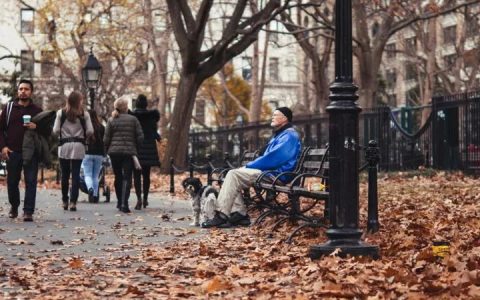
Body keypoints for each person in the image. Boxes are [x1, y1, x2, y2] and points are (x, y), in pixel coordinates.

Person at [201, 107, 302, 228]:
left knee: (234, 174)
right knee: (233, 174)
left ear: (285, 118)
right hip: (270, 172)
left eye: (276, 115)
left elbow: (274, 158)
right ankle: (239, 214)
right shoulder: (282, 134)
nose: (272, 117)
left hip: (277, 175)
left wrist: (249, 165)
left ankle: (222, 216)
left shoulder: (289, 136)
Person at [0, 79, 42, 222]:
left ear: (31, 92)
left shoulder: (37, 110)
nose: (23, 91)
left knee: (31, 181)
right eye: (21, 89)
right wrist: (3, 147)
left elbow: (47, 131)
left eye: (26, 89)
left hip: (31, 152)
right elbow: (0, 129)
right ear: (17, 91)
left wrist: (36, 127)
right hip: (13, 151)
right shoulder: (9, 108)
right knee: (12, 182)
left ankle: (28, 211)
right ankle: (14, 205)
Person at [53, 91, 93, 211]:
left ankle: (65, 200)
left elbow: (55, 130)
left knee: (64, 175)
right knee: (75, 175)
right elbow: (90, 131)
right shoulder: (84, 114)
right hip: (79, 146)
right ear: (78, 101)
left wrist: (62, 133)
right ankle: (73, 202)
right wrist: (84, 135)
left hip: (64, 146)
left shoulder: (61, 113)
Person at [104, 96, 143, 213]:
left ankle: (119, 201)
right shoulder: (133, 120)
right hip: (129, 153)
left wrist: (107, 150)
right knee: (127, 177)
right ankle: (124, 203)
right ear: (126, 107)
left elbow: (106, 139)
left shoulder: (111, 120)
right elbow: (140, 137)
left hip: (114, 153)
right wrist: (136, 147)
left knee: (118, 176)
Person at [130, 94, 160, 210]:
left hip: (136, 147)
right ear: (146, 104)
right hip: (149, 147)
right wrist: (158, 137)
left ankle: (138, 199)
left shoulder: (133, 116)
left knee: (136, 175)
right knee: (146, 175)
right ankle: (146, 198)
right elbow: (153, 131)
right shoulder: (151, 117)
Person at [81, 110, 105, 203]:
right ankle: (95, 195)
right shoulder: (102, 127)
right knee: (95, 176)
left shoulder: (86, 127)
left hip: (87, 153)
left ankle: (90, 189)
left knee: (88, 175)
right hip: (99, 154)